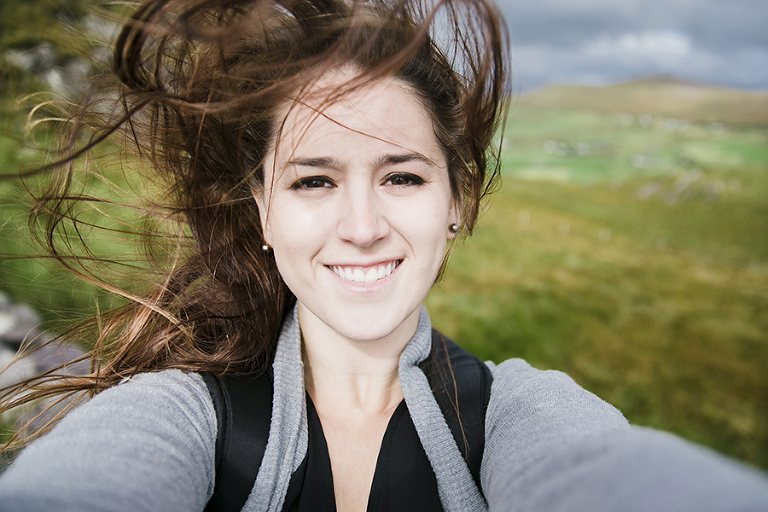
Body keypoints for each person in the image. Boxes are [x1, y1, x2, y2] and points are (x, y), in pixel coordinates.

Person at [1, 0, 768, 510]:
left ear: (456, 202)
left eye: (401, 175)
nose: (362, 225)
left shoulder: (521, 416)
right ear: (263, 210)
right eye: (313, 180)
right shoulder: (181, 413)